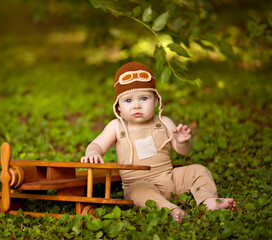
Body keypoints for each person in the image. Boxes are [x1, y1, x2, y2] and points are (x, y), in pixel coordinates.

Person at [80, 62, 236, 223]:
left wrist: (182, 142)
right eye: (128, 101)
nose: (137, 105)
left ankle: (208, 200)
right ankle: (171, 210)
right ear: (118, 108)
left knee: (199, 170)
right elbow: (97, 144)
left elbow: (183, 151)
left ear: (155, 101)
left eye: (144, 98)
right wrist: (93, 153)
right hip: (139, 183)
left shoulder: (164, 122)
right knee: (139, 192)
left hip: (170, 178)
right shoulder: (116, 126)